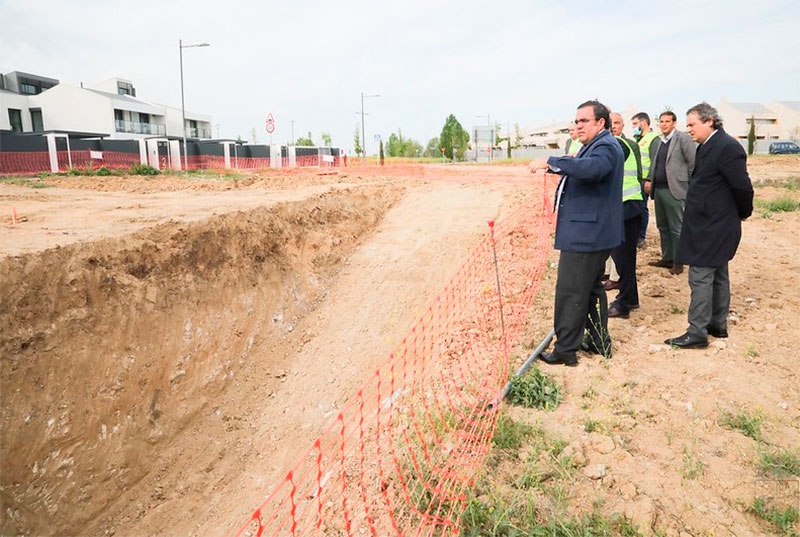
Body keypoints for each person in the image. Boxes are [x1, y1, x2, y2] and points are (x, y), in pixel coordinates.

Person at [528, 100, 624, 366]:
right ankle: (597, 341)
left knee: (571, 291)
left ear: (600, 122)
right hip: (591, 231)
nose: (578, 125)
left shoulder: (605, 146)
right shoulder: (596, 145)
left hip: (586, 234)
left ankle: (565, 350)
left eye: (584, 121)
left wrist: (552, 162)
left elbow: (593, 169)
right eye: (576, 121)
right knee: (591, 290)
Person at [665, 103, 753, 348]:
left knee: (701, 275)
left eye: (692, 124)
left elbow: (742, 186)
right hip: (708, 222)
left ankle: (697, 332)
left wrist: (743, 213)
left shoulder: (727, 147)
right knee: (718, 273)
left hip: (714, 224)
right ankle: (717, 324)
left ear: (709, 122)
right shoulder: (706, 146)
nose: (688, 130)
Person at [647, 111, 696, 275]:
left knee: (676, 227)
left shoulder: (683, 138)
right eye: (661, 121)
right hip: (659, 189)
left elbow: (692, 162)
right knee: (663, 226)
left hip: (675, 189)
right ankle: (667, 257)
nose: (664, 124)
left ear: (674, 123)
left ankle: (679, 261)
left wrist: (689, 185)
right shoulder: (661, 141)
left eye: (667, 121)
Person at [607, 112, 644, 318]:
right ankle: (630, 298)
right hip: (625, 206)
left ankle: (625, 303)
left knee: (623, 258)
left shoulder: (617, 145)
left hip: (627, 206)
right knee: (623, 258)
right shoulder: (619, 144)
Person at [631, 112, 660, 248]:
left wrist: (649, 179)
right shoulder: (639, 139)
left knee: (642, 208)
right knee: (636, 207)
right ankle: (636, 235)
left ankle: (640, 238)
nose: (634, 127)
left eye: (635, 124)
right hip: (636, 179)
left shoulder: (653, 139)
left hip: (645, 180)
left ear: (643, 123)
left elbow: (655, 161)